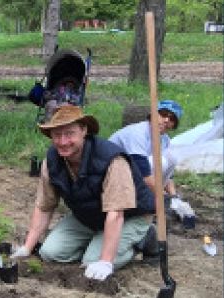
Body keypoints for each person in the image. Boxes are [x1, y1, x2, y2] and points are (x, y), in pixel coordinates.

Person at [13, 106, 157, 282]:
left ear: (84, 131)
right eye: (57, 135)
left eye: (69, 134)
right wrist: (27, 248)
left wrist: (105, 262)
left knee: (93, 261)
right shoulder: (51, 161)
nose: (63, 141)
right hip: (91, 216)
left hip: (129, 215)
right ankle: (96, 242)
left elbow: (116, 213)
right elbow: (44, 206)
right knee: (50, 253)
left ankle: (144, 238)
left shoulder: (112, 160)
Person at [108, 99, 183, 199]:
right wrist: (163, 197)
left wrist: (174, 196)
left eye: (172, 119)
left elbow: (169, 177)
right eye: (163, 114)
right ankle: (148, 197)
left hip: (131, 175)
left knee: (171, 158)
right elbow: (143, 170)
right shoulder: (138, 132)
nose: (166, 120)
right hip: (111, 176)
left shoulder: (165, 140)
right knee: (159, 161)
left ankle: (152, 196)